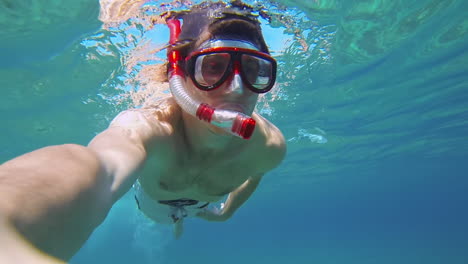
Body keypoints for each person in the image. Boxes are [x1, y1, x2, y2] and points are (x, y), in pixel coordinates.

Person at [0, 1, 286, 262]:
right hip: (155, 207)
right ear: (179, 76)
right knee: (162, 224)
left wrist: (227, 212)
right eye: (212, 67)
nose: (236, 88)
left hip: (202, 205)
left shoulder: (270, 146)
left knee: (182, 220)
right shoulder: (148, 130)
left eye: (254, 70)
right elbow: (102, 166)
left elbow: (255, 174)